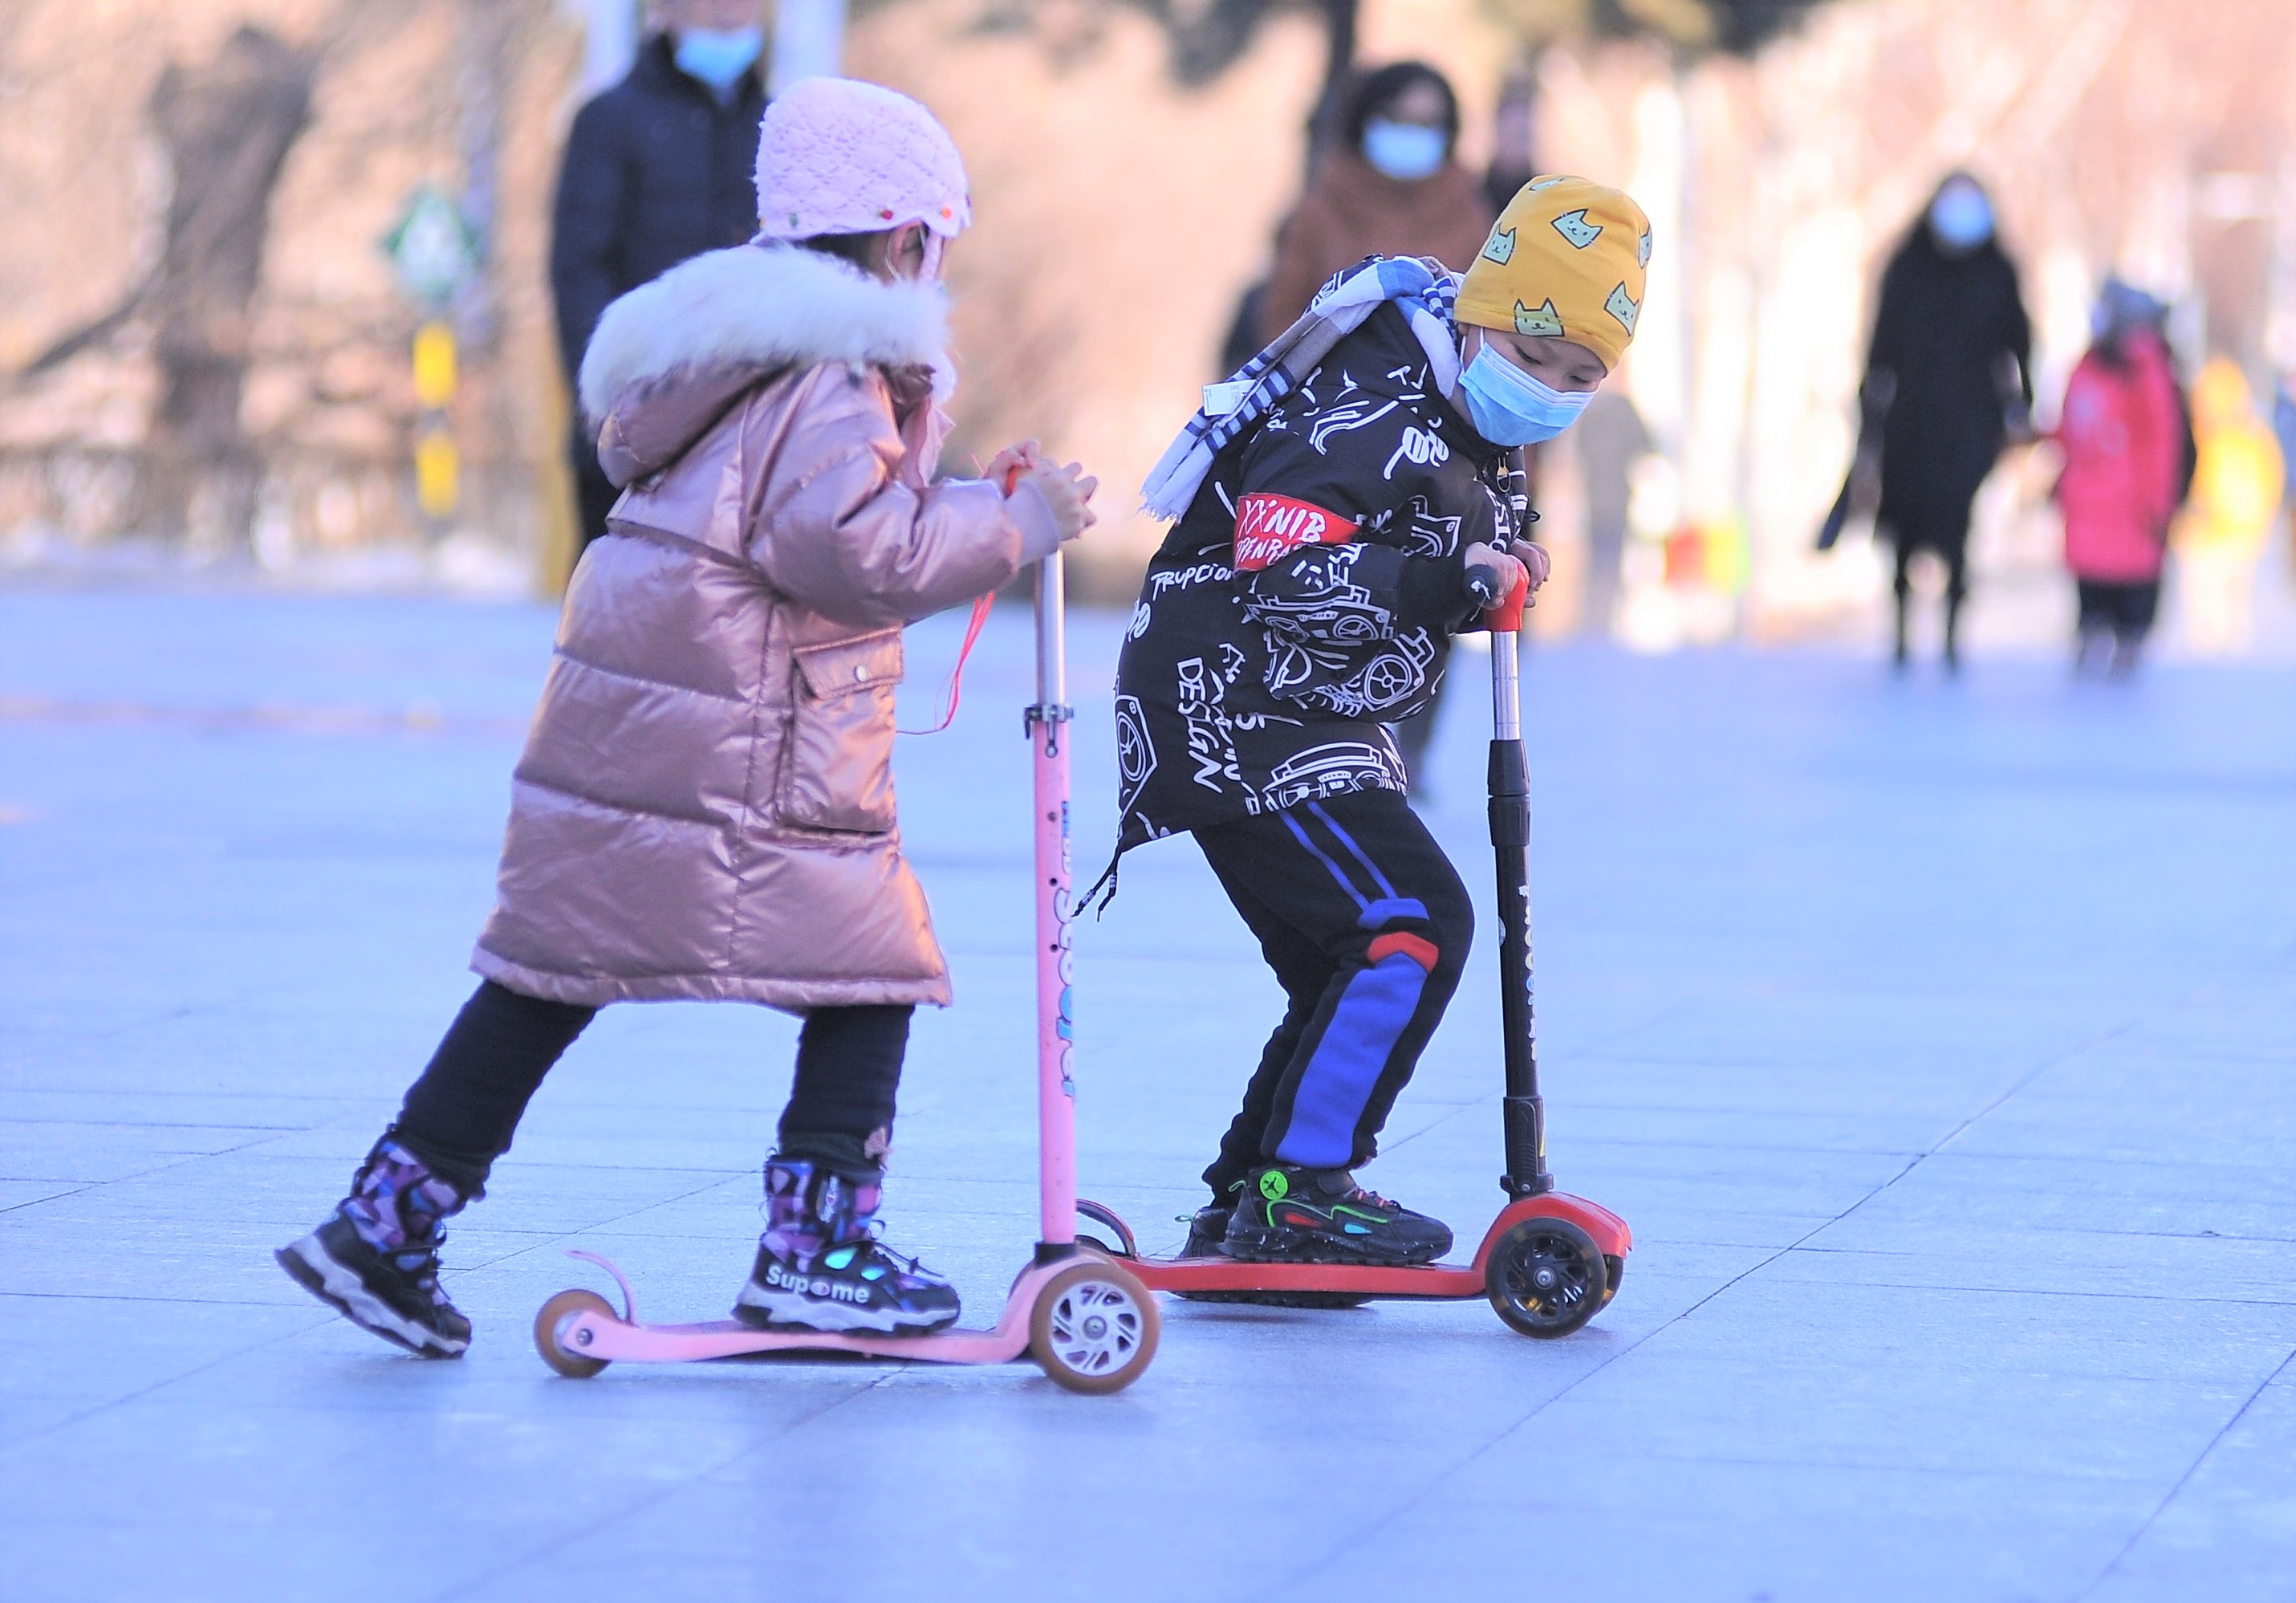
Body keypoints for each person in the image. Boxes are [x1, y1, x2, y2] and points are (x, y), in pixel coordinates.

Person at [278, 79, 1098, 1357]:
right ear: (901, 242)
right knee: (872, 964)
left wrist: (956, 494)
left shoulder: (730, 359)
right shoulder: (832, 376)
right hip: (747, 742)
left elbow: (815, 512)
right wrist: (1016, 526)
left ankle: (386, 1219)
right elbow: (844, 549)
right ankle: (815, 1245)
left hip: (647, 731)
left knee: (549, 968)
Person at [1115, 176, 1650, 1264]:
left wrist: (1485, 565)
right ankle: (1301, 1189)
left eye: (1579, 376)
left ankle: (1250, 1195)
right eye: (1532, 353)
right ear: (1482, 311)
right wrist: (1436, 578)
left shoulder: (1454, 399)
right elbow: (1280, 560)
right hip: (1239, 704)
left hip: (1308, 709)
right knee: (1409, 923)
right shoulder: (1374, 398)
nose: (1547, 388)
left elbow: (1430, 545)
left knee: (1346, 953)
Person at [550, 0, 771, 556]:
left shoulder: (780, 127)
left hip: (748, 441)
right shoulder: (609, 121)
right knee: (617, 628)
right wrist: (613, 405)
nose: (729, 12)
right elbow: (578, 269)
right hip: (626, 435)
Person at [1858, 173, 2033, 669]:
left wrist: (2020, 407)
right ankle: (1901, 636)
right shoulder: (1909, 266)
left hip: (1969, 424)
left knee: (1957, 527)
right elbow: (1880, 345)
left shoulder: (1995, 270)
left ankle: (1953, 637)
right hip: (1910, 422)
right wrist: (1870, 413)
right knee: (1904, 530)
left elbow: (2018, 342)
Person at [1259, 63, 1496, 341]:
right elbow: (1282, 320)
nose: (1410, 133)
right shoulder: (1322, 209)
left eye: (1425, 123)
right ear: (1365, 121)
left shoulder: (1469, 217)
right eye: (1396, 119)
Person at [2050, 279, 2185, 675]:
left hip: (2130, 509)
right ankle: (2096, 634)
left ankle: (2125, 640)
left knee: (2128, 588)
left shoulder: (2148, 372)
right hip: (2090, 506)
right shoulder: (2089, 367)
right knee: (2094, 587)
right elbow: (2071, 426)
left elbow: (2161, 443)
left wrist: (2158, 503)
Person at [2173, 357, 2286, 654]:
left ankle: (2225, 656)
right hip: (2210, 532)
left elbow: (2269, 477)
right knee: (2211, 612)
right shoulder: (2205, 434)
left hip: (2233, 533)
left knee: (2225, 610)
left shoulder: (2242, 436)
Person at [1574, 385, 1652, 637]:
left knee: (1600, 559)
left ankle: (1597, 617)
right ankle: (1601, 617)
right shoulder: (1618, 410)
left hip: (1598, 497)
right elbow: (1646, 446)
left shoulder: (1592, 411)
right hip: (1611, 498)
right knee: (1608, 559)